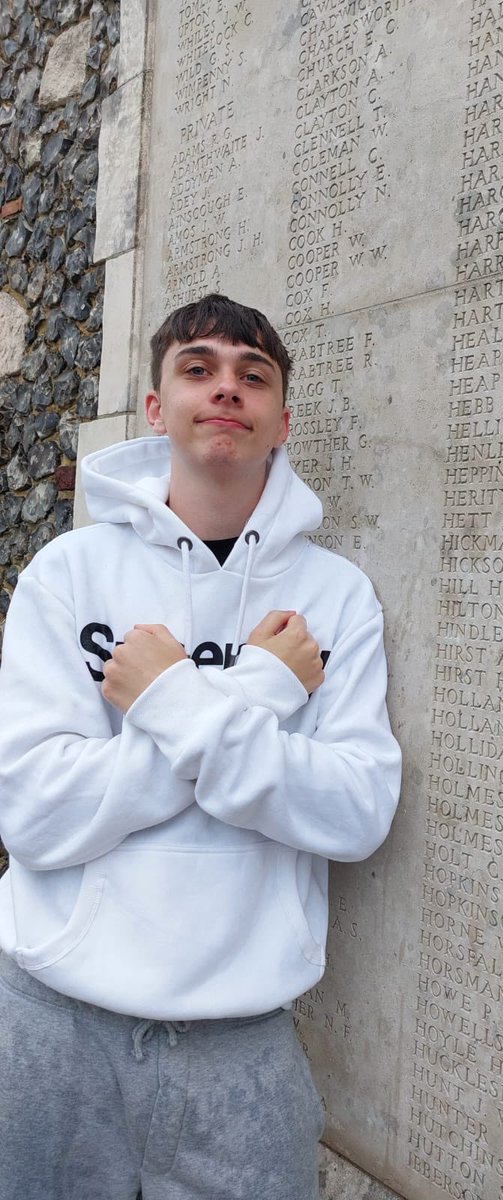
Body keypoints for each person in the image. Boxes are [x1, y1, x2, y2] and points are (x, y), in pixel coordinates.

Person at [0, 293, 401, 1199]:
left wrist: (170, 700)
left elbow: (356, 811)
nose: (227, 389)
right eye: (198, 369)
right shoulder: (68, 574)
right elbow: (34, 810)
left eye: (253, 375)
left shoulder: (336, 597)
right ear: (155, 407)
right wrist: (259, 690)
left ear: (282, 421)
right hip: (53, 1022)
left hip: (241, 1042)